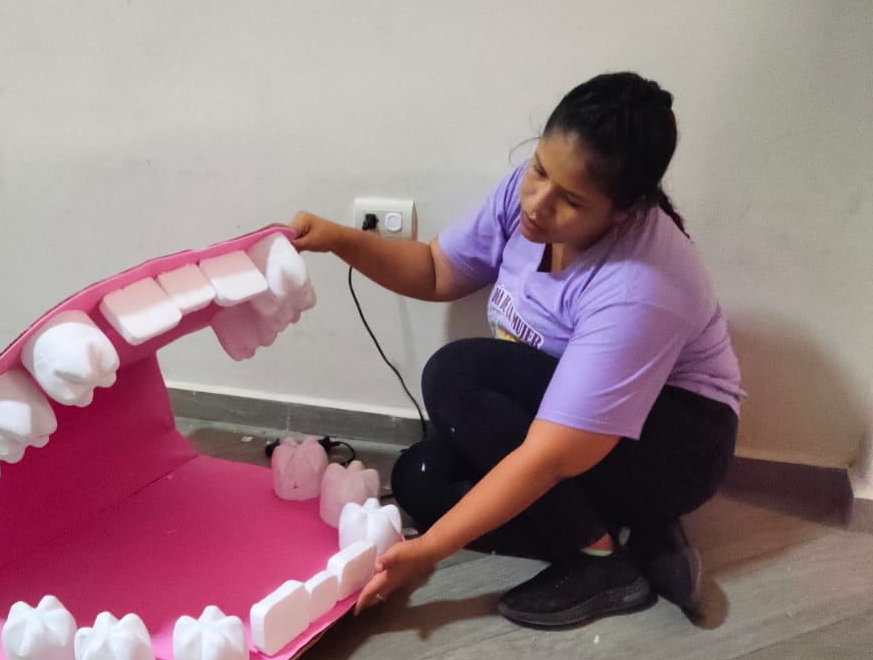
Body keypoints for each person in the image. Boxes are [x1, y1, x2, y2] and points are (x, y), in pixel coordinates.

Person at [290, 72, 742, 629]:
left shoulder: (640, 285)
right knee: (419, 480)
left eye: (570, 200)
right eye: (539, 169)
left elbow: (550, 455)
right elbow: (436, 270)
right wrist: (340, 239)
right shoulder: (530, 200)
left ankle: (602, 559)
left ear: (623, 212)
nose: (537, 203)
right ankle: (633, 529)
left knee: (456, 373)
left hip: (673, 441)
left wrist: (427, 553)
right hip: (575, 431)